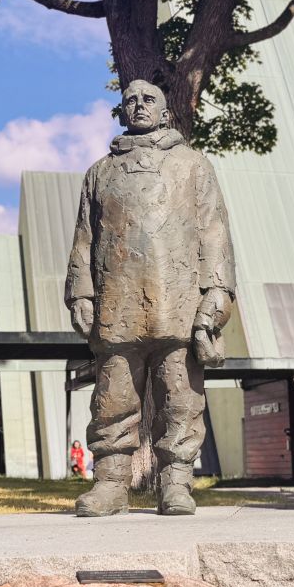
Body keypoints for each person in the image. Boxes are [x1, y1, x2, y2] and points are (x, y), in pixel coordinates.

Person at [65, 80, 235, 516]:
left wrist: (216, 297)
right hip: (117, 305)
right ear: (122, 113)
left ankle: (177, 481)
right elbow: (85, 239)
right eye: (130, 102)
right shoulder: (100, 172)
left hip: (177, 303)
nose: (138, 106)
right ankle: (110, 483)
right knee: (112, 399)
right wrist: (80, 294)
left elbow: (214, 234)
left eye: (149, 100)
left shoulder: (194, 166)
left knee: (180, 398)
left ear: (164, 112)